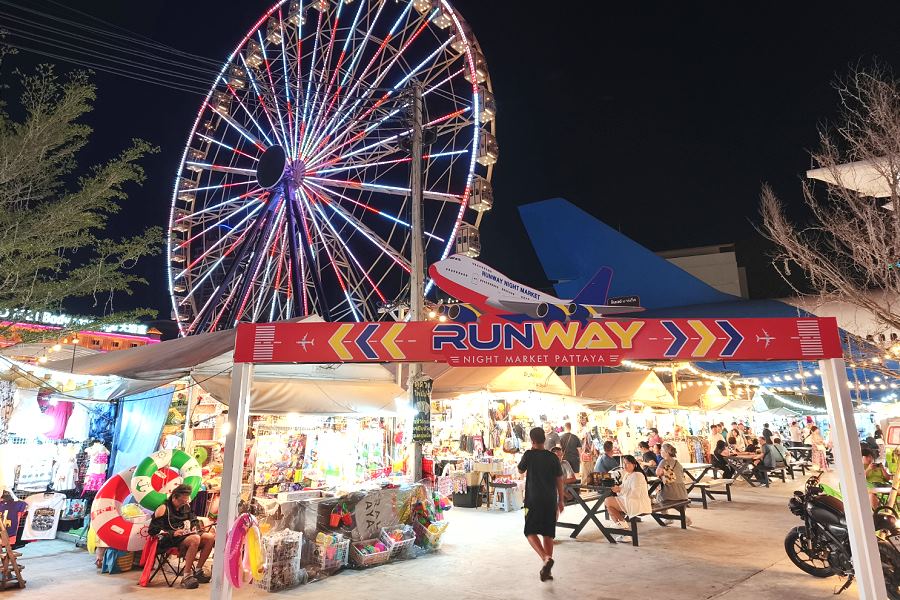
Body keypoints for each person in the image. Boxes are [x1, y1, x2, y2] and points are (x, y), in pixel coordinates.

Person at [517, 427, 564, 582]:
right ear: (544, 439)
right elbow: (559, 479)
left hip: (533, 500)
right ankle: (547, 571)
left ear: (532, 440)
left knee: (529, 531)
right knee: (548, 533)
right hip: (550, 500)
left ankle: (545, 558)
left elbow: (520, 470)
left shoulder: (529, 455)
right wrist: (561, 500)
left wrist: (530, 452)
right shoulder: (553, 457)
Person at [148, 484, 214, 589]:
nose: (184, 503)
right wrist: (173, 533)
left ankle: (198, 571)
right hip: (169, 539)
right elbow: (153, 531)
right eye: (182, 501)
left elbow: (194, 520)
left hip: (185, 535)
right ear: (174, 497)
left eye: (186, 501)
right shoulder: (163, 508)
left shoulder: (185, 506)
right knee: (195, 538)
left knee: (209, 537)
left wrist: (194, 526)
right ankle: (186, 576)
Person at [603, 455, 652, 535]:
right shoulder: (627, 475)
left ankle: (622, 525)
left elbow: (635, 494)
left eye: (627, 463)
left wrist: (620, 490)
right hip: (629, 500)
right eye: (624, 463)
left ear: (634, 464)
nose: (625, 466)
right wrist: (617, 489)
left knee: (608, 501)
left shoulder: (637, 475)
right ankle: (623, 529)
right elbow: (623, 489)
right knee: (609, 506)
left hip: (637, 502)